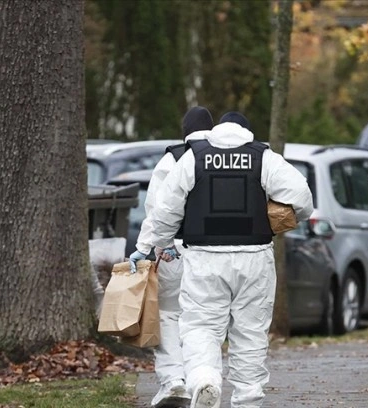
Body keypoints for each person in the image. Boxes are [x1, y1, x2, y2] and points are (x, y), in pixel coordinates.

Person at [132, 112, 314, 408]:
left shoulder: (194, 157)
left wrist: (155, 245)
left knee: (201, 327)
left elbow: (165, 210)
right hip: (255, 258)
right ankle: (248, 400)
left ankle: (205, 379)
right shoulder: (263, 157)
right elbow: (302, 197)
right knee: (250, 332)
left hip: (204, 259)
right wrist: (289, 218)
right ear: (247, 132)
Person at [134, 106, 214, 408]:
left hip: (175, 253)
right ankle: (202, 380)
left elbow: (156, 210)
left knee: (167, 315)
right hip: (214, 254)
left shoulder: (173, 159)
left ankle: (173, 381)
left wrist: (150, 248)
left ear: (185, 132)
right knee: (203, 321)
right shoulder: (225, 156)